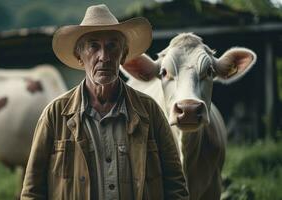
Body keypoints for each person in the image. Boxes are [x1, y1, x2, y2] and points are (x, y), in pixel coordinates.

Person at [21, 4, 188, 200]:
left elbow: (176, 187)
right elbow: (32, 192)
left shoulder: (149, 111)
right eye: (93, 46)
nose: (104, 56)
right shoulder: (55, 114)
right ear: (79, 56)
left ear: (123, 55)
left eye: (112, 46)